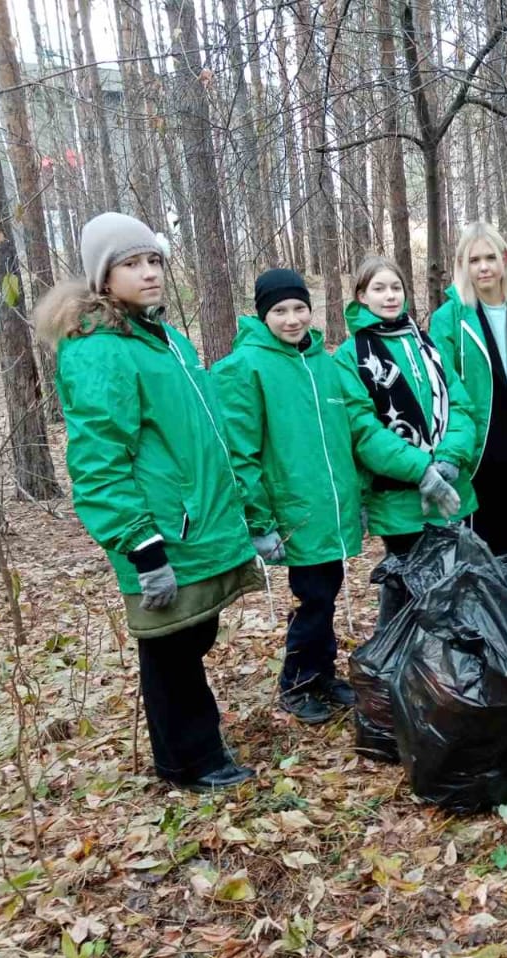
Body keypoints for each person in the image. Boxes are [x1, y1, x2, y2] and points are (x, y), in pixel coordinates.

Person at [33, 213, 259, 791]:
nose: (149, 272)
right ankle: (190, 762)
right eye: (131, 264)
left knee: (193, 635)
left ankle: (193, 750)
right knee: (171, 649)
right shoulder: (100, 350)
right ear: (103, 278)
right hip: (161, 530)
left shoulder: (166, 339)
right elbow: (98, 460)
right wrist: (141, 544)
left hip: (197, 521)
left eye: (154, 260)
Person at [213, 269, 363, 725]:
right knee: (313, 599)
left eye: (300, 308)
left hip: (329, 507)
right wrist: (259, 521)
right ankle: (297, 683)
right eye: (280, 311)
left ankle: (322, 674)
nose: (292, 319)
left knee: (326, 594)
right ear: (263, 315)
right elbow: (240, 452)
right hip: (293, 511)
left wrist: (356, 499)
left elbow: (344, 438)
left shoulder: (323, 363)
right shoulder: (245, 367)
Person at [333, 255, 477, 557]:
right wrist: (422, 471)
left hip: (452, 492)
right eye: (379, 288)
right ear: (362, 296)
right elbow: (364, 431)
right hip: (399, 507)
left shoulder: (427, 344)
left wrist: (449, 458)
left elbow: (460, 406)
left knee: (459, 581)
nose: (390, 296)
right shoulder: (350, 356)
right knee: (409, 583)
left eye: (396, 288)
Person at [429, 223, 507, 554]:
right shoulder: (449, 318)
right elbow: (443, 391)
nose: (483, 267)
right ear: (462, 265)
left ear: (504, 259)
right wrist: (452, 452)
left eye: (490, 258)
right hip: (479, 454)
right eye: (474, 260)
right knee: (486, 555)